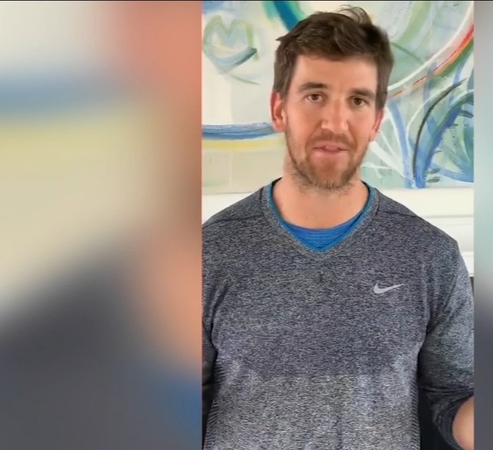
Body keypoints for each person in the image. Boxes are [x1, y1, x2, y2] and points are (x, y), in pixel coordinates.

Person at [203, 6, 474, 449]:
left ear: (376, 121)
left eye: (357, 100)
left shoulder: (430, 255)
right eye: (315, 96)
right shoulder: (209, 251)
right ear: (279, 109)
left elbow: (455, 397)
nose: (334, 122)